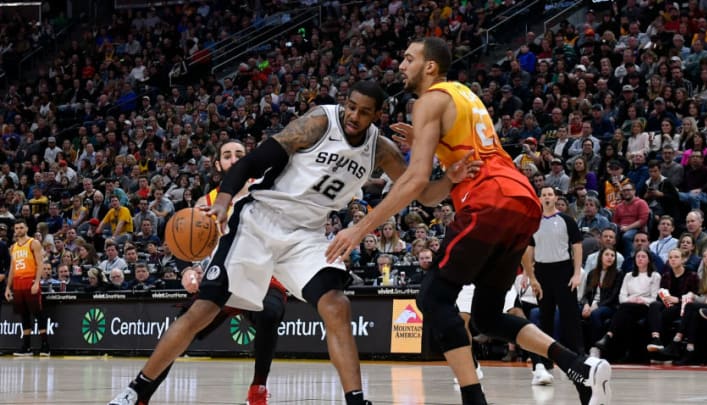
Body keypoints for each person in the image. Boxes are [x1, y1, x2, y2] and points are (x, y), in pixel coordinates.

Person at [109, 80, 473, 405]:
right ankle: (137, 391)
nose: (354, 116)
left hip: (306, 236)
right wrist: (223, 201)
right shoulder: (320, 122)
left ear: (377, 114)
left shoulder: (382, 150)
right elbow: (255, 160)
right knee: (202, 310)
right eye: (351, 106)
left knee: (336, 306)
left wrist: (451, 179)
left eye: (364, 112)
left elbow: (424, 195)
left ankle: (356, 400)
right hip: (258, 221)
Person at [326, 38, 611, 405]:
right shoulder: (463, 94)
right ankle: (579, 367)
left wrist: (360, 227)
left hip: (488, 200)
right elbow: (442, 183)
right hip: (521, 200)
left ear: (430, 66)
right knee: (489, 316)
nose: (401, 65)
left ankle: (474, 399)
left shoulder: (428, 100)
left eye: (409, 58)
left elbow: (415, 184)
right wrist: (439, 149)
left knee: (432, 298)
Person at [110, 139, 288, 405]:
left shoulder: (265, 190)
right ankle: (139, 394)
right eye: (227, 155)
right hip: (224, 276)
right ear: (218, 164)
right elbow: (188, 249)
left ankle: (258, 388)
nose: (233, 159)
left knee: (271, 312)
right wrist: (188, 269)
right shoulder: (207, 201)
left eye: (239, 154)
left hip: (262, 273)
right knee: (184, 325)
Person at [524, 186, 585, 382]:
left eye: (550, 194)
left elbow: (577, 247)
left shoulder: (567, 220)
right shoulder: (533, 222)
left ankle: (579, 358)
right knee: (545, 317)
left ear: (556, 198)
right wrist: (530, 275)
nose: (547, 197)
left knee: (570, 316)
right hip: (542, 271)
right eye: (544, 195)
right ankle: (543, 362)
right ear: (539, 199)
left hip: (564, 270)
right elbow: (528, 250)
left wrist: (576, 274)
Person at [4, 219, 47, 356]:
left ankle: (45, 346)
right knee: (23, 315)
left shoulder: (33, 243)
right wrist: (8, 287)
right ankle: (26, 346)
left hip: (30, 280)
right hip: (18, 283)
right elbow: (12, 268)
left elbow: (40, 264)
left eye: (21, 227)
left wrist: (36, 282)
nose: (19, 230)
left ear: (27, 229)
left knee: (38, 313)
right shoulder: (13, 247)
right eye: (16, 228)